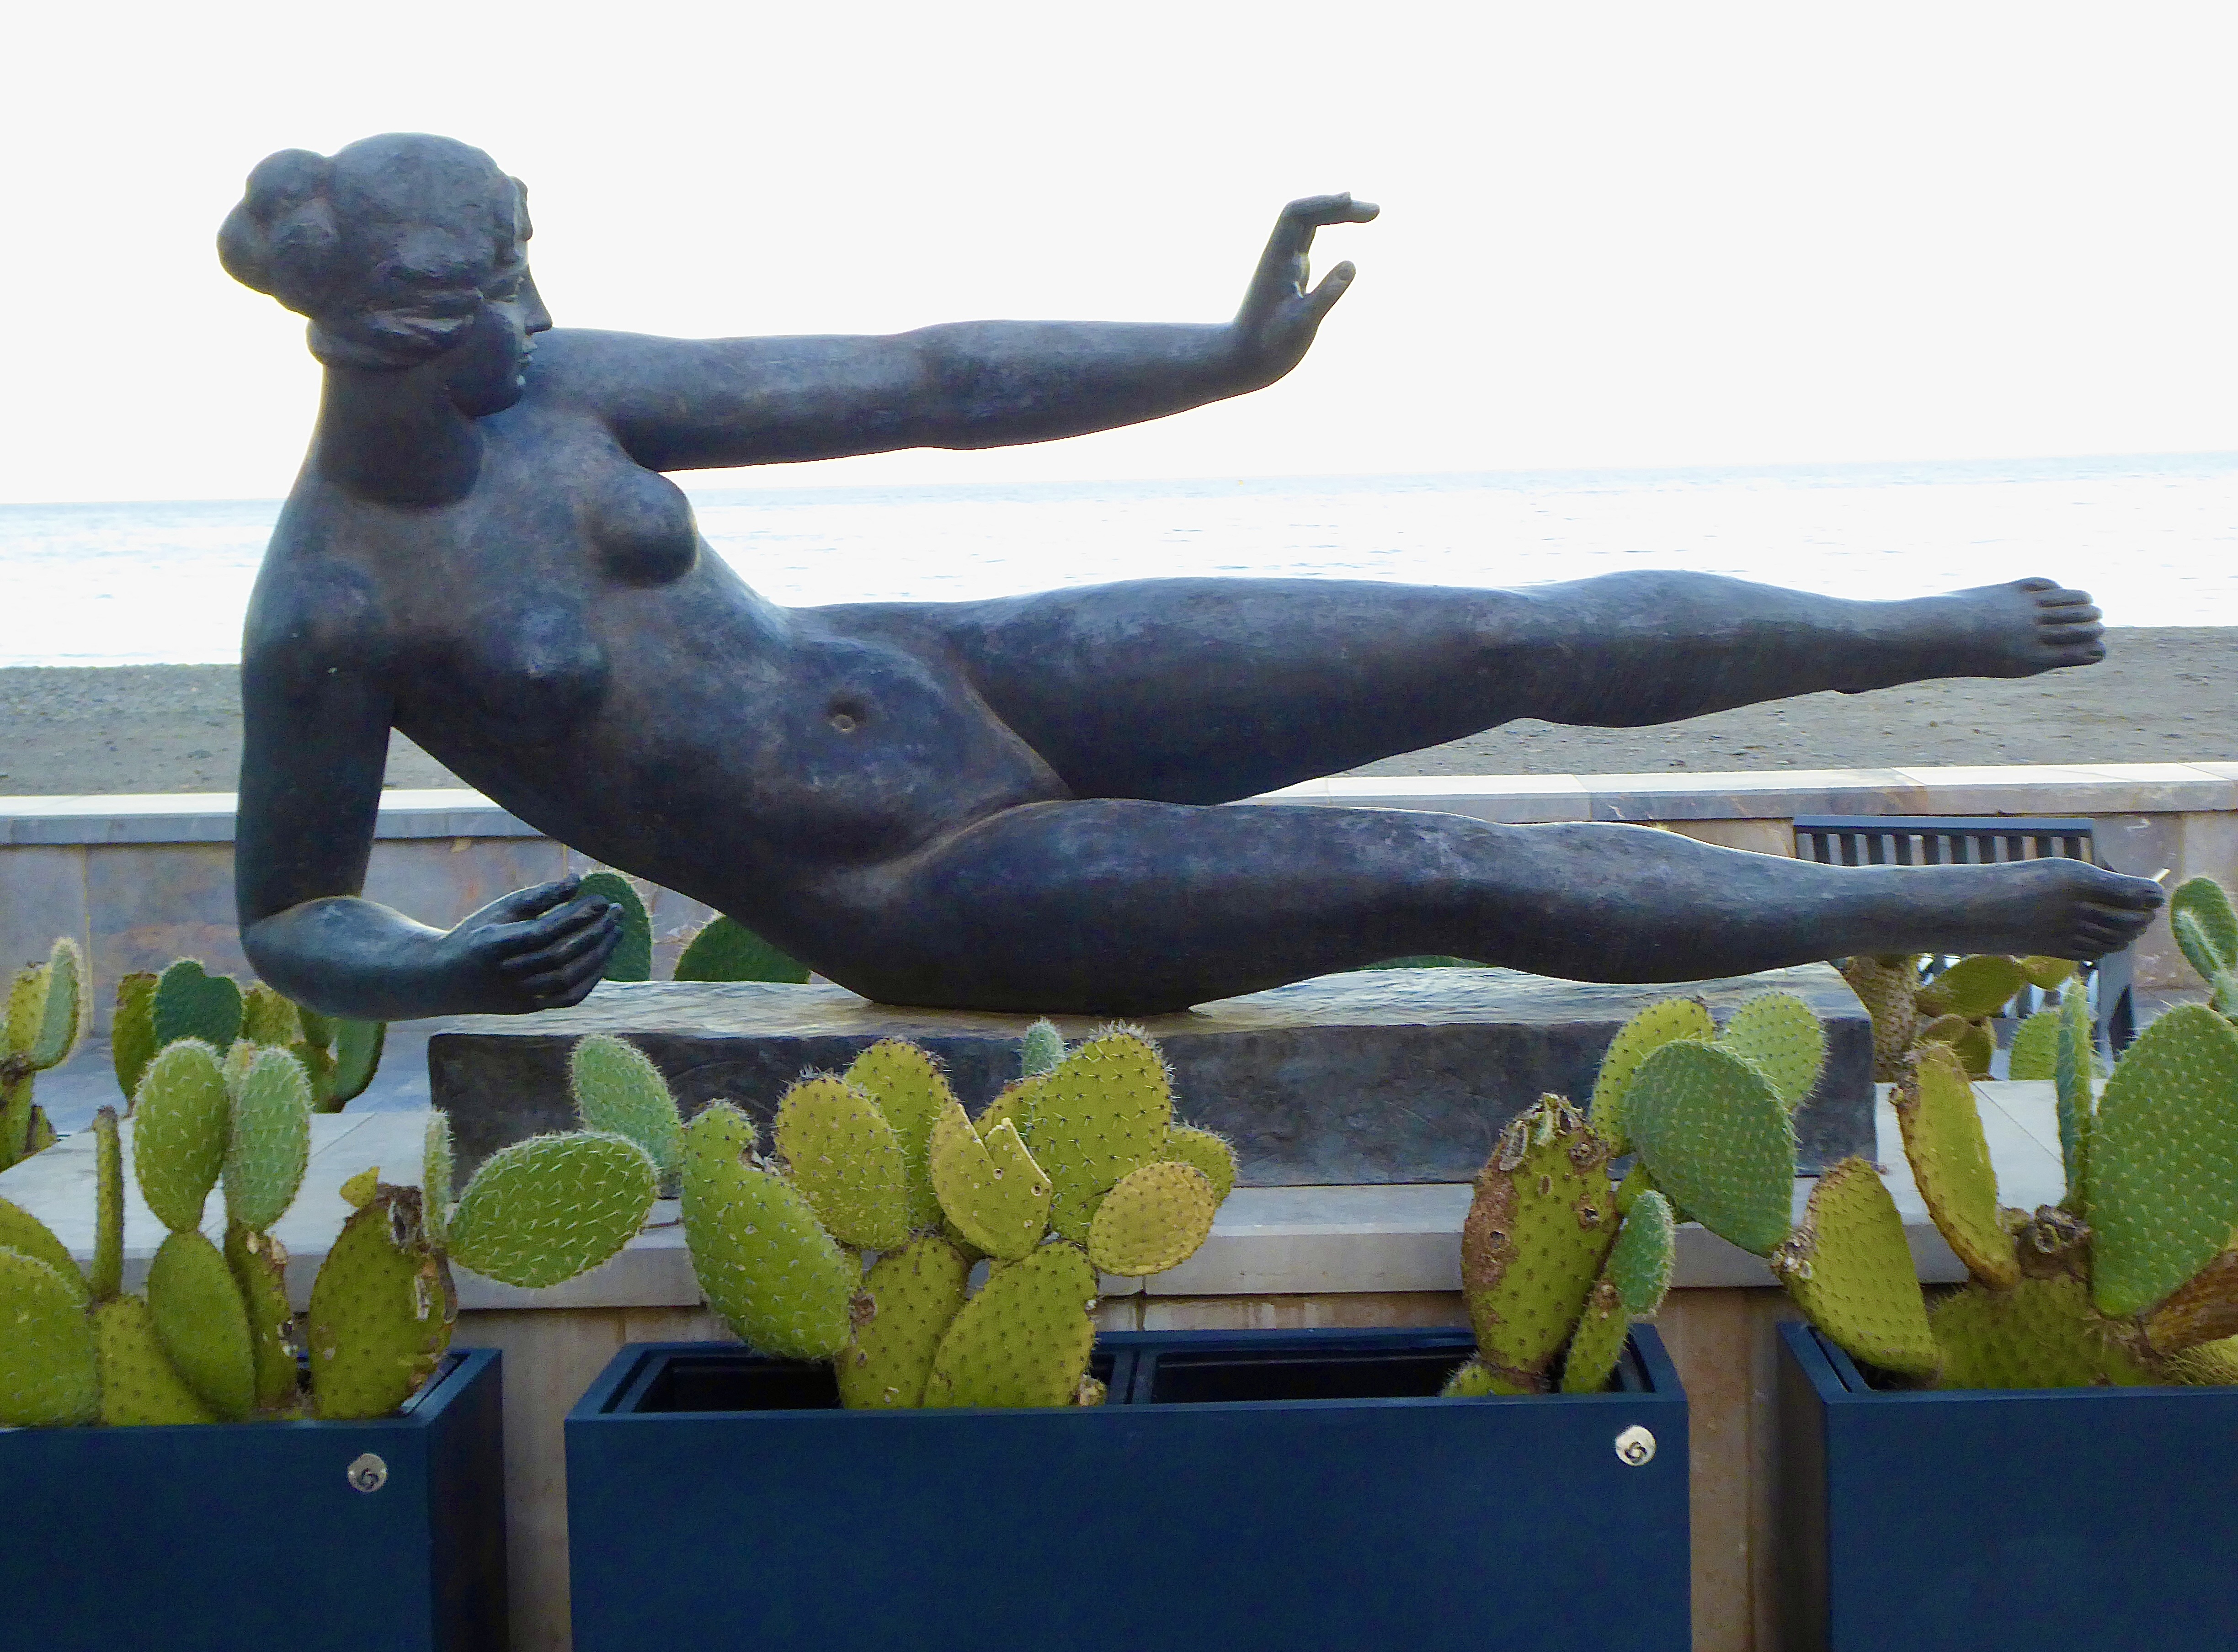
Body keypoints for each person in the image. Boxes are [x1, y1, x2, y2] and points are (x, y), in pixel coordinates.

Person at [220, 133, 2161, 1020]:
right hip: (911, 885)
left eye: (527, 263)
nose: (533, 310)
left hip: (959, 677)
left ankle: (1915, 628)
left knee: (1504, 636)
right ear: (379, 328)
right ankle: (1948, 909)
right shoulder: (332, 606)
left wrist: (1215, 356)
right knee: (1439, 872)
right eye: (488, 293)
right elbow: (296, 908)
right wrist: (439, 974)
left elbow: (932, 381)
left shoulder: (563, 387)